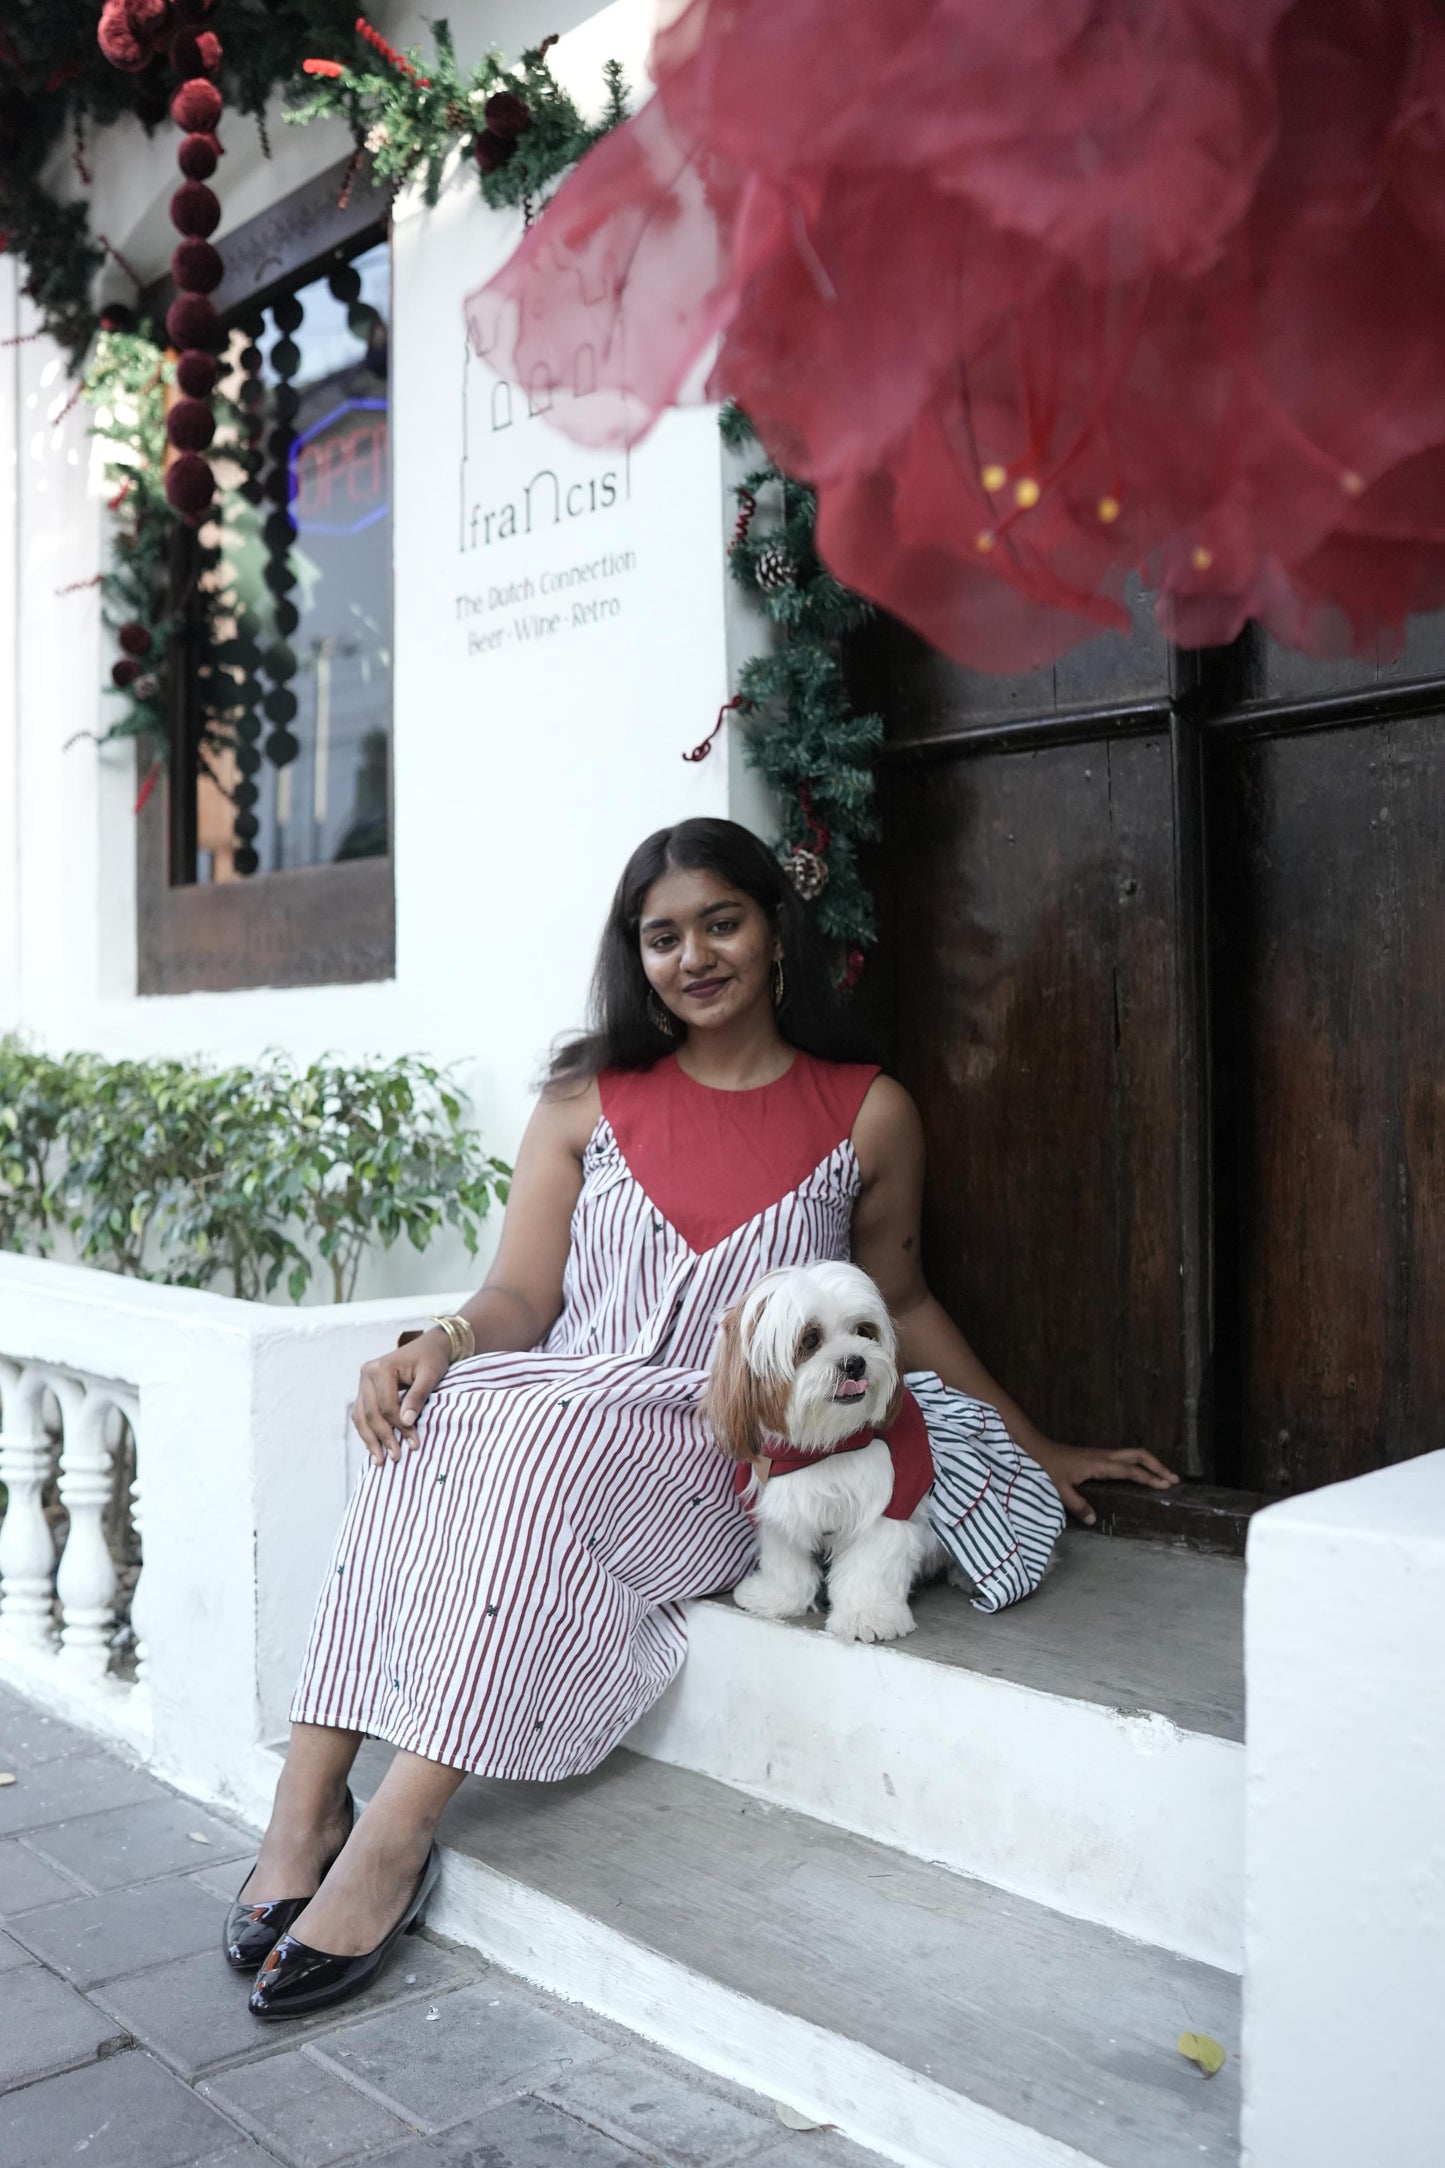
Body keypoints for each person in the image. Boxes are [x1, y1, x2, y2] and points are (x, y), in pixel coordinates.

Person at [231, 818, 1177, 2018]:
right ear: (636, 958)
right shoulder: (587, 1094)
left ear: (774, 931)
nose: (693, 956)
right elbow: (522, 1292)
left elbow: (899, 1300)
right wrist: (442, 1343)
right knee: (451, 1414)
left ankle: (394, 1832)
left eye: (719, 922)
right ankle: (308, 1798)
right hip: (572, 1397)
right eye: (661, 936)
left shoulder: (865, 1109)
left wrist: (1034, 1442)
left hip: (719, 1443)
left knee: (528, 1438)